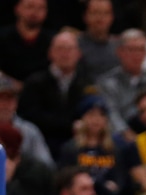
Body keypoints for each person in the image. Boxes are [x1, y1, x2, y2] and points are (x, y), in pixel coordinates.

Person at [17, 29, 96, 160]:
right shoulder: (34, 82)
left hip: (78, 143)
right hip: (43, 142)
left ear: (78, 54)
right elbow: (30, 116)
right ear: (50, 53)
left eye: (69, 49)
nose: (65, 54)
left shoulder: (87, 83)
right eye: (60, 49)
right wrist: (70, 125)